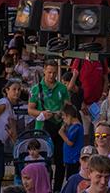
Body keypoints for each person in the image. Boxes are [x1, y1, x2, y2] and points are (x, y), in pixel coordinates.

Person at [28, 60, 71, 192]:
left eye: (54, 73)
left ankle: (57, 189)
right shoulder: (36, 89)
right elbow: (30, 110)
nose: (52, 75)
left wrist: (62, 114)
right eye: (49, 72)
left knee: (60, 161)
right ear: (44, 71)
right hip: (42, 128)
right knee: (44, 161)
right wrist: (42, 113)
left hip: (59, 127)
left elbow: (68, 107)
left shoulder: (62, 88)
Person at [0, 80, 22, 193]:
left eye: (19, 90)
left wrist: (16, 145)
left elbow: (13, 133)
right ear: (7, 90)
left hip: (0, 142)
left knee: (0, 172)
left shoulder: (11, 109)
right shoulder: (4, 103)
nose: (17, 92)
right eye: (14, 89)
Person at [60, 103, 85, 179]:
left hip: (73, 159)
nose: (63, 119)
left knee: (71, 178)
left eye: (64, 117)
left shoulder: (76, 127)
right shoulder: (72, 126)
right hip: (70, 159)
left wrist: (61, 133)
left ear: (69, 116)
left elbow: (70, 143)